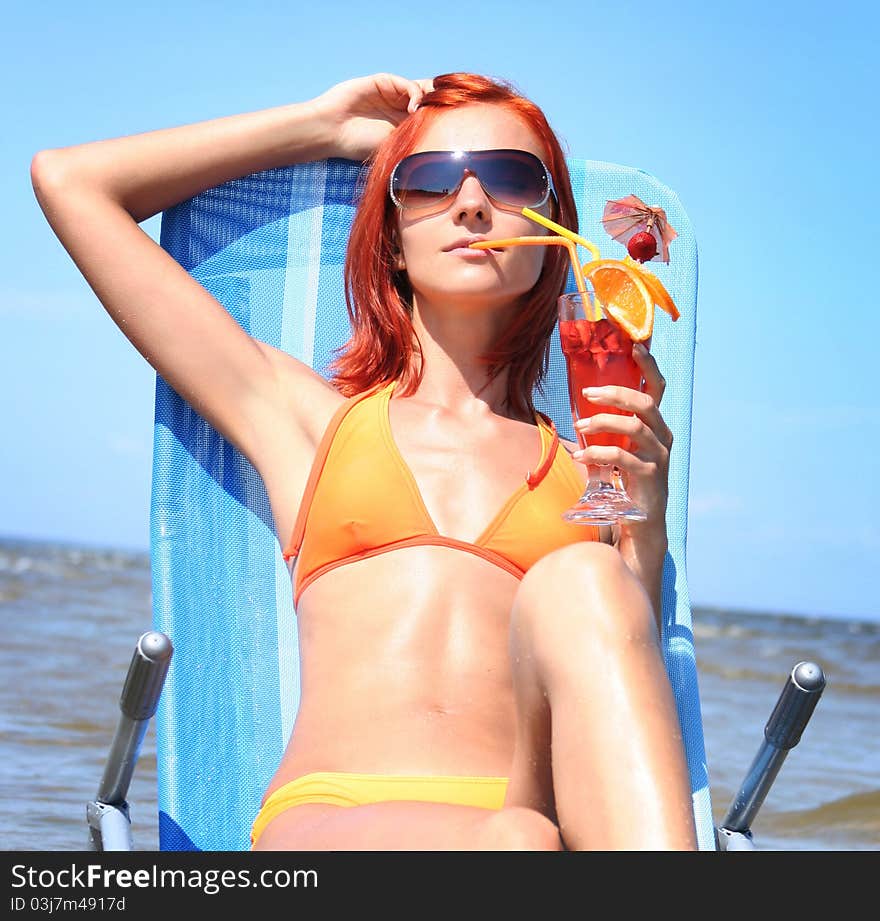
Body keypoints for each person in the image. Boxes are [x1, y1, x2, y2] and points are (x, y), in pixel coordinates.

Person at [31, 71, 697, 851]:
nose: (473, 203)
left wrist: (640, 527)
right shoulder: (309, 422)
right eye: (430, 181)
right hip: (338, 819)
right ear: (392, 237)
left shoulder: (597, 470)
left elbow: (619, 705)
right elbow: (73, 183)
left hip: (530, 817)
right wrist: (320, 127)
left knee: (582, 598)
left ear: (554, 234)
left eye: (513, 177)